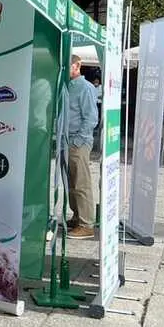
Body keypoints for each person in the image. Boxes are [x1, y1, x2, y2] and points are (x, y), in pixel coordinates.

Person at [67, 54, 99, 239]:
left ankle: (87, 224)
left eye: (69, 64)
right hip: (69, 140)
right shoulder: (68, 86)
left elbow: (91, 118)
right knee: (72, 183)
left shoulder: (85, 88)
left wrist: (78, 140)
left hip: (78, 142)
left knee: (81, 183)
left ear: (77, 65)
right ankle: (78, 216)